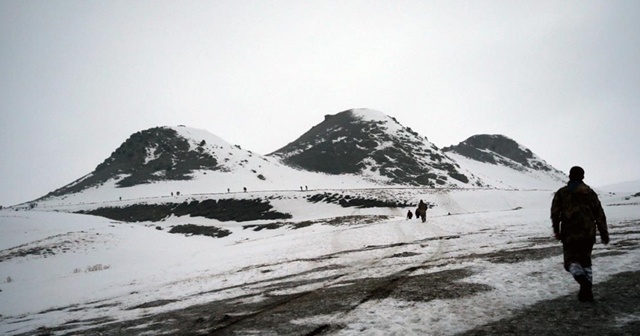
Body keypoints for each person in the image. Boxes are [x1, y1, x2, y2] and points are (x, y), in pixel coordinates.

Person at [550, 166, 609, 302]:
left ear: (570, 176)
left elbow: (555, 214)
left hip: (570, 232)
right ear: (582, 177)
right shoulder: (589, 193)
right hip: (588, 232)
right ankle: (586, 293)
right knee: (585, 261)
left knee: (570, 262)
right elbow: (599, 214)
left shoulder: (562, 193)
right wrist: (603, 232)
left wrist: (556, 230)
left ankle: (583, 283)